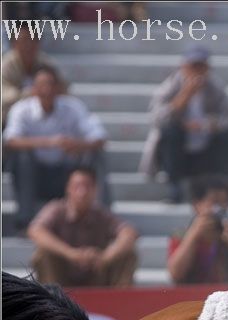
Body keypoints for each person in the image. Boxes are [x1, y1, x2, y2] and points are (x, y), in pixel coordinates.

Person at [3, 65, 111, 230]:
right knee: (21, 156)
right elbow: (10, 140)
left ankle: (101, 218)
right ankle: (25, 220)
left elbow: (99, 137)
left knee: (95, 155)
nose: (47, 90)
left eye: (51, 84)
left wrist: (78, 145)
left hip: (66, 175)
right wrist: (49, 142)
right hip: (34, 177)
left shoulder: (73, 107)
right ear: (34, 89)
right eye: (42, 85)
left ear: (59, 88)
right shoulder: (22, 109)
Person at [141, 46, 228, 203]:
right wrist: (183, 98)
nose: (197, 71)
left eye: (201, 66)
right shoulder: (170, 86)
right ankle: (174, 187)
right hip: (179, 152)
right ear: (183, 67)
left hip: (206, 151)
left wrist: (207, 124)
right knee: (169, 132)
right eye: (193, 66)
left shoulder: (215, 87)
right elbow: (156, 119)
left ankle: (224, 190)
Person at [28, 166, 138, 287]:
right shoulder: (56, 209)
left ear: (95, 190)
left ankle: (120, 303)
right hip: (60, 277)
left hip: (96, 275)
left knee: (128, 254)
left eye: (87, 186)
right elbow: (36, 231)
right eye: (77, 186)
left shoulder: (102, 214)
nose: (82, 192)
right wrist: (71, 254)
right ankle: (49, 302)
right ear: (68, 188)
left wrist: (105, 257)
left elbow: (129, 233)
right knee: (43, 254)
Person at [167, 175, 228, 285]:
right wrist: (193, 236)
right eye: (215, 202)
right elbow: (175, 274)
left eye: (225, 201)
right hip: (192, 299)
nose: (221, 208)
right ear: (197, 205)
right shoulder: (181, 235)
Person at [1, 31, 69, 129]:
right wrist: (30, 93)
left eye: (32, 40)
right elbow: (3, 95)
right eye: (24, 41)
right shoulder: (5, 66)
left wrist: (47, 92)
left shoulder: (47, 64)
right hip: (7, 119)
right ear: (14, 44)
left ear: (38, 43)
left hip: (44, 117)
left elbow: (63, 88)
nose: (28, 46)